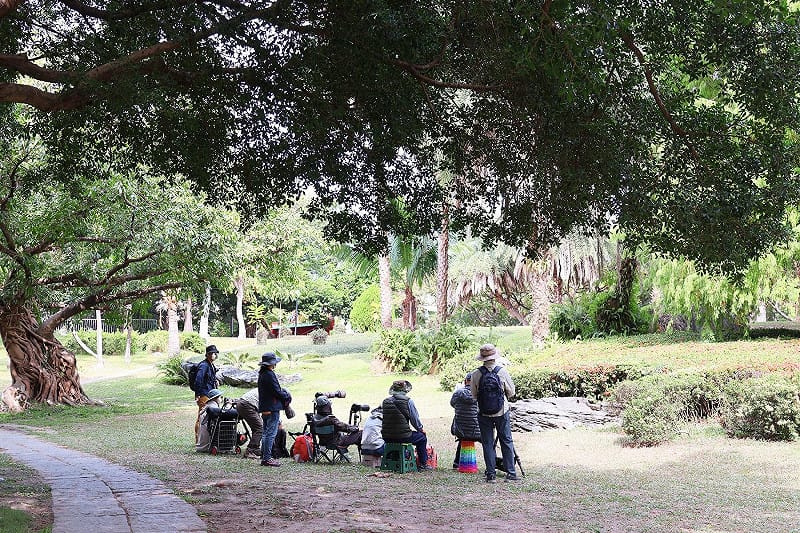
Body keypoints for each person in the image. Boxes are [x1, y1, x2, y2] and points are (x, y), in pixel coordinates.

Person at [470, 343, 518, 483]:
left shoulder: (476, 374)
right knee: (506, 440)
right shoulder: (502, 372)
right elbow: (512, 392)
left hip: (483, 413)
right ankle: (511, 473)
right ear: (494, 357)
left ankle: (491, 474)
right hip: (502, 412)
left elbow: (473, 395)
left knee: (487, 442)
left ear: (482, 358)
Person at [381, 379, 430, 470]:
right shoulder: (408, 401)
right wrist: (421, 429)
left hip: (386, 436)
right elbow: (414, 420)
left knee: (396, 439)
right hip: (403, 436)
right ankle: (423, 464)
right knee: (422, 438)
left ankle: (394, 459)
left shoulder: (385, 402)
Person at [257, 352, 291, 467]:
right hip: (272, 407)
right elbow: (276, 391)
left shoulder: (262, 373)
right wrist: (286, 396)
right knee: (271, 433)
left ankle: (265, 456)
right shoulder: (269, 374)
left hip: (265, 407)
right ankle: (267, 458)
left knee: (266, 433)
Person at [450, 372, 481, 469]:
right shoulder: (479, 394)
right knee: (488, 441)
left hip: (460, 431)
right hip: (477, 431)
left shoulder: (458, 393)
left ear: (465, 381)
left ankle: (456, 463)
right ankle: (492, 464)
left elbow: (452, 404)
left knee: (464, 438)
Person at [194, 345, 220, 442]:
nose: (215, 355)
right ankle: (198, 439)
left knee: (208, 417)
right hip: (204, 395)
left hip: (210, 395)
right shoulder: (204, 365)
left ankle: (206, 439)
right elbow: (198, 380)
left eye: (215, 353)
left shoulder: (210, 365)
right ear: (208, 354)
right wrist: (198, 394)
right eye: (213, 353)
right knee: (201, 417)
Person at [234, 388, 262, 459]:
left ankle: (255, 449)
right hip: (247, 405)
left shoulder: (265, 388)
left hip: (242, 403)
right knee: (260, 428)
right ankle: (250, 450)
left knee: (256, 428)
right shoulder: (271, 392)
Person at [195, 388, 223, 453]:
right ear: (215, 398)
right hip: (207, 445)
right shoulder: (214, 408)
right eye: (220, 397)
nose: (221, 399)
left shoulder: (207, 407)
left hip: (201, 445)